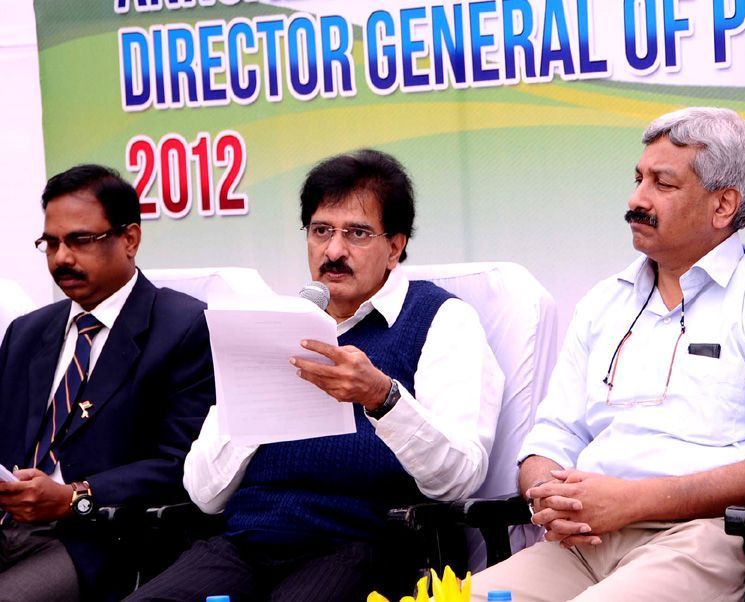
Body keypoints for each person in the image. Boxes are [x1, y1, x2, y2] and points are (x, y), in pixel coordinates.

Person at [128, 148, 504, 601]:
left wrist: (382, 398)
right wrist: (258, 395)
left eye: (357, 233)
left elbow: (460, 477)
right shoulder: (271, 324)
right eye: (321, 230)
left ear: (395, 247)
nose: (334, 251)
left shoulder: (441, 320)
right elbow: (204, 494)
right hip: (244, 545)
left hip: (363, 546)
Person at [471, 106, 745, 601]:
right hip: (581, 540)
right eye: (638, 178)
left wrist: (635, 500)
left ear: (723, 205)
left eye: (662, 184)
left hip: (697, 536)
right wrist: (550, 493)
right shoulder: (605, 301)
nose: (636, 199)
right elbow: (554, 434)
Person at [0, 165, 215, 601]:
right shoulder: (26, 332)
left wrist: (73, 495)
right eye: (51, 243)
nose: (62, 258)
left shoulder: (185, 327)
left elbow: (182, 464)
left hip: (100, 538)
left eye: (80, 240)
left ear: (130, 239)